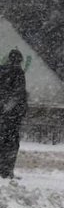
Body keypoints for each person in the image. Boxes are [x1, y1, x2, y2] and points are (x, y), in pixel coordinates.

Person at [0, 49, 28, 179]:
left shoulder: (2, 70)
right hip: (11, 117)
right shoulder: (18, 72)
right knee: (11, 144)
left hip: (3, 116)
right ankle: (6, 171)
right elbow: (18, 94)